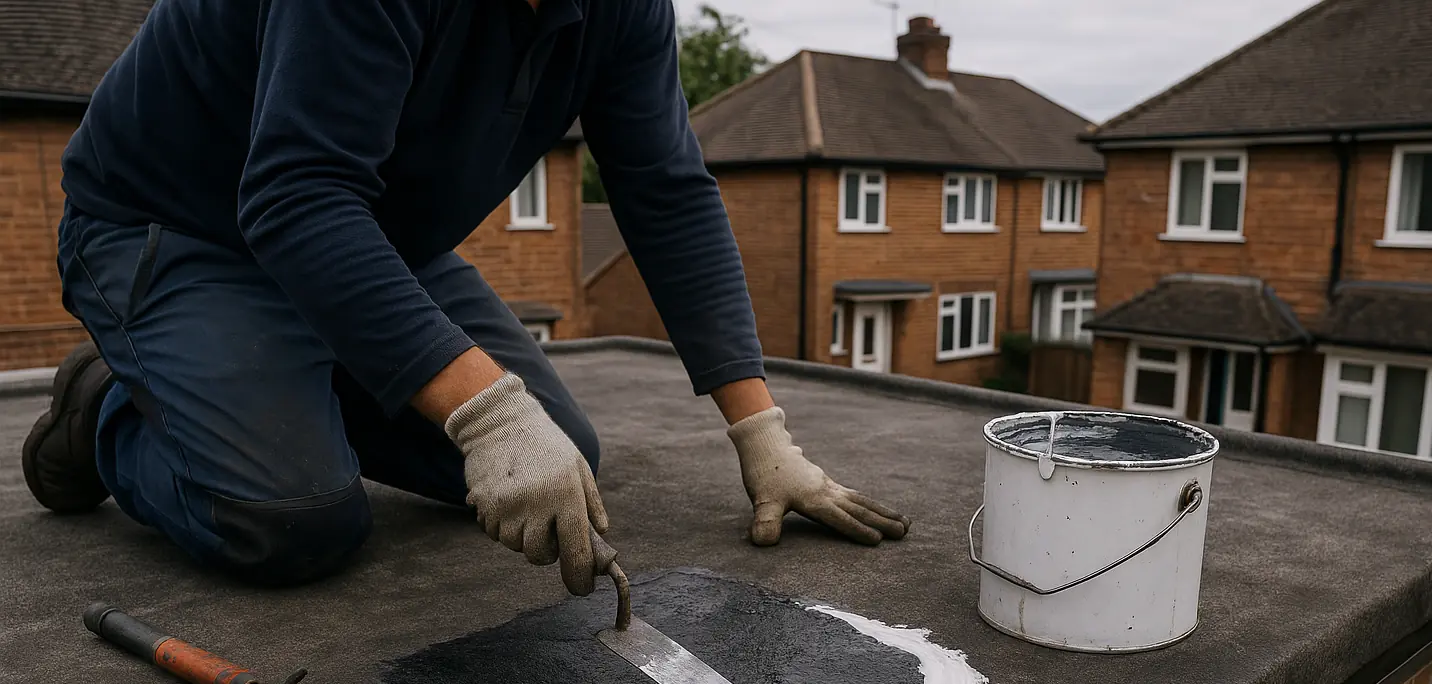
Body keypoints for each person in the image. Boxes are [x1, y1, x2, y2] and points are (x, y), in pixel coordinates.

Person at [21, 0, 908, 595]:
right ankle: (105, 408)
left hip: (368, 239)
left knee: (564, 463)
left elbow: (666, 191)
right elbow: (295, 196)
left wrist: (760, 432)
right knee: (291, 522)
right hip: (179, 229)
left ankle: (282, 385)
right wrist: (484, 414)